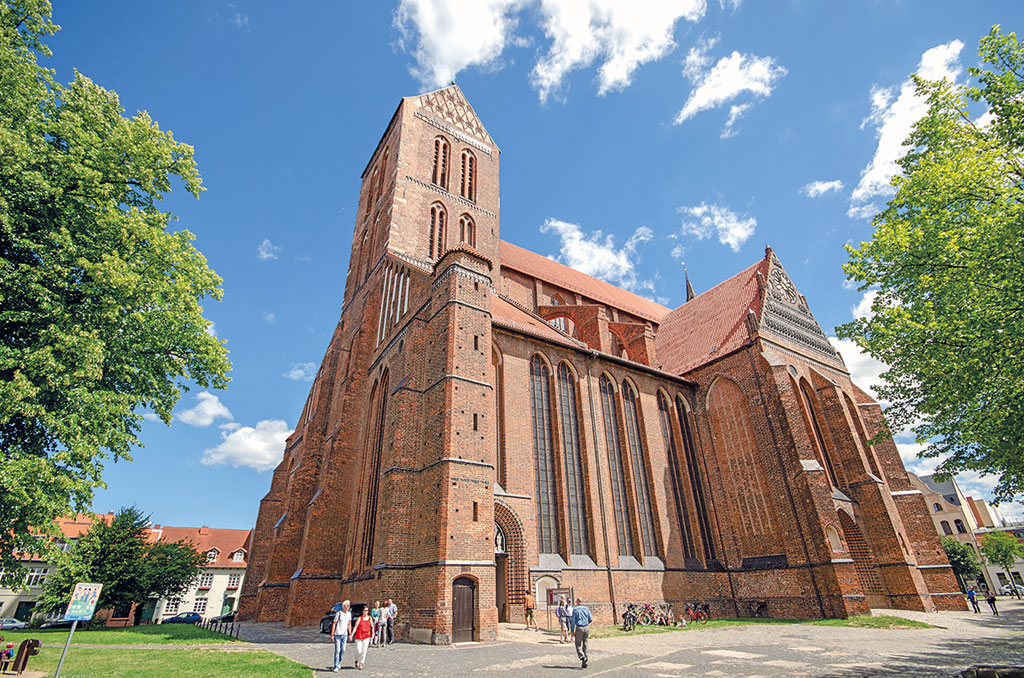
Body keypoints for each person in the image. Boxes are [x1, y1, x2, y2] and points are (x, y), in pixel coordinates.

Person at [570, 597, 593, 669]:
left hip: (579, 627)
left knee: (578, 644)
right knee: (585, 644)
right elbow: (590, 619)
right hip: (586, 627)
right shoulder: (586, 609)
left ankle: (582, 656)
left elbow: (573, 621)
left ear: (577, 602)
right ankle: (585, 658)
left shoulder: (575, 609)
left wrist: (572, 631)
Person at [330, 600, 351, 673]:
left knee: (343, 649)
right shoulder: (339, 614)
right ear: (343, 606)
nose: (348, 607)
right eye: (347, 606)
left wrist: (350, 633)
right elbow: (334, 623)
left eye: (349, 606)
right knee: (337, 650)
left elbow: (349, 624)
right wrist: (332, 634)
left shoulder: (349, 614)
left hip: (345, 634)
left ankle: (339, 662)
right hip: (338, 634)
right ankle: (336, 665)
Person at [352, 605, 375, 669]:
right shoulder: (360, 618)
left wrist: (372, 634)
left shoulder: (370, 618)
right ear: (362, 611)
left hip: (367, 636)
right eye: (365, 610)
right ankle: (356, 660)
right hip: (359, 636)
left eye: (367, 611)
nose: (366, 612)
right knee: (358, 650)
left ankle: (361, 663)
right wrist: (351, 634)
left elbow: (372, 627)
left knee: (364, 650)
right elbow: (355, 627)